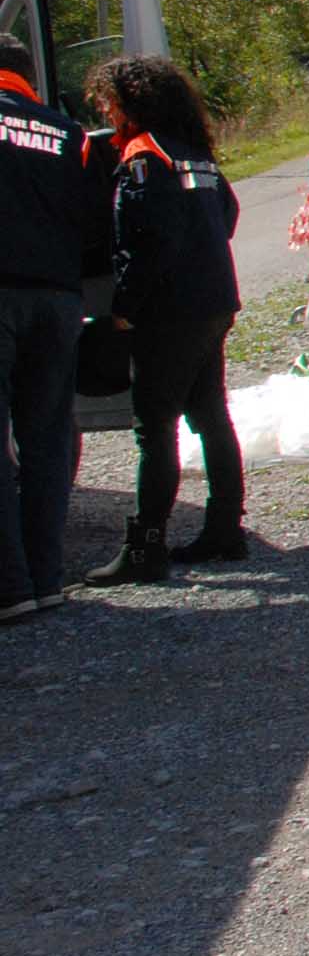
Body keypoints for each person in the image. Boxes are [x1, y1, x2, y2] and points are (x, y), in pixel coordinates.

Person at [79, 54, 248, 586]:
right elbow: (228, 214)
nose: (106, 111)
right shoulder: (194, 153)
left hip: (170, 313)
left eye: (108, 102)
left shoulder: (141, 157)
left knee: (154, 429)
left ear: (130, 104)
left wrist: (125, 310)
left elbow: (143, 243)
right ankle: (224, 528)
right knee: (211, 416)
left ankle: (145, 546)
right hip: (214, 301)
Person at [0, 33, 100, 620]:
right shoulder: (67, 132)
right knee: (47, 439)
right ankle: (47, 578)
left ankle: (9, 588)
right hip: (58, 300)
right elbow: (92, 221)